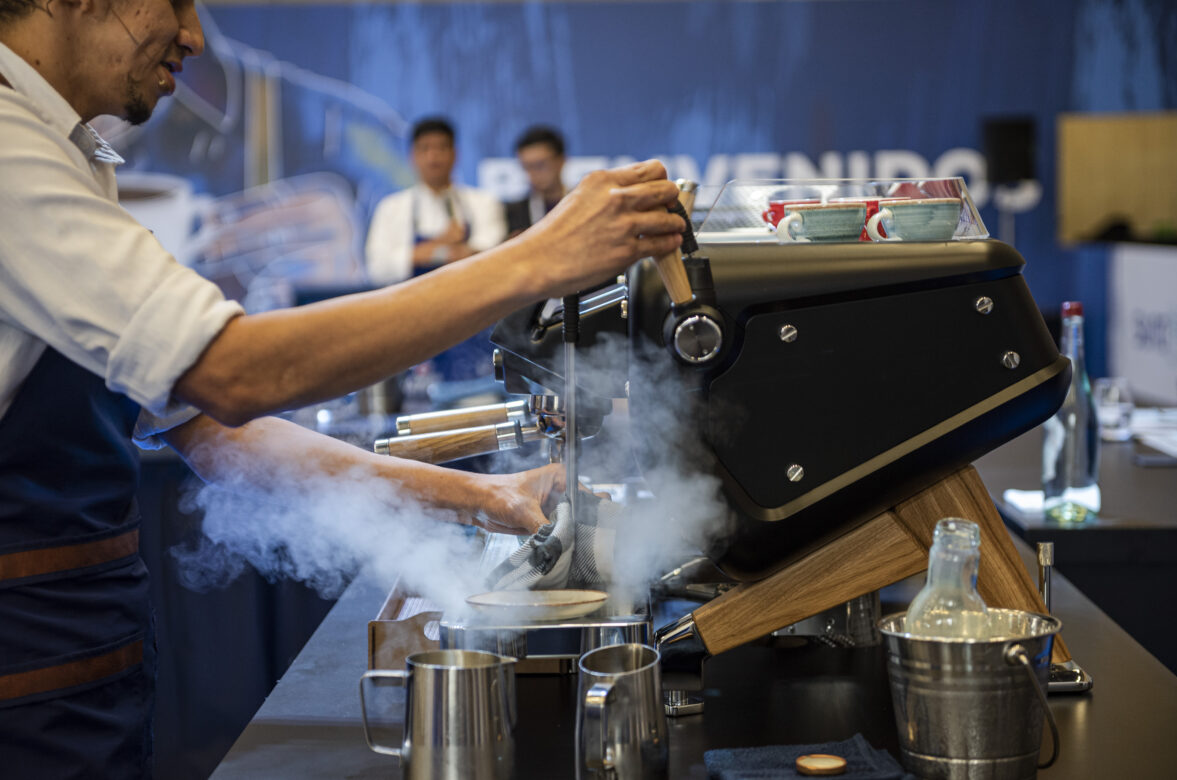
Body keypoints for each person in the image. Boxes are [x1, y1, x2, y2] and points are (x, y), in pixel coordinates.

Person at [0, 1, 684, 775]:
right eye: (178, 1)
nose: (194, 34)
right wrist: (537, 259)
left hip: (88, 664)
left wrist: (493, 498)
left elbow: (217, 433)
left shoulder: (66, 155)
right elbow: (235, 372)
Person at [364, 116, 506, 283]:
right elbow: (378, 268)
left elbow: (491, 256)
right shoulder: (391, 207)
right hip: (410, 304)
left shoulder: (483, 202)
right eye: (425, 149)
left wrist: (420, 254)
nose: (433, 157)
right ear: (412, 156)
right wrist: (441, 243)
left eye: (441, 148)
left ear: (455, 154)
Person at [505, 124, 568, 237]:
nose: (534, 173)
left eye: (540, 165)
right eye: (527, 167)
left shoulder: (584, 204)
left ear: (561, 160)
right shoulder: (514, 213)